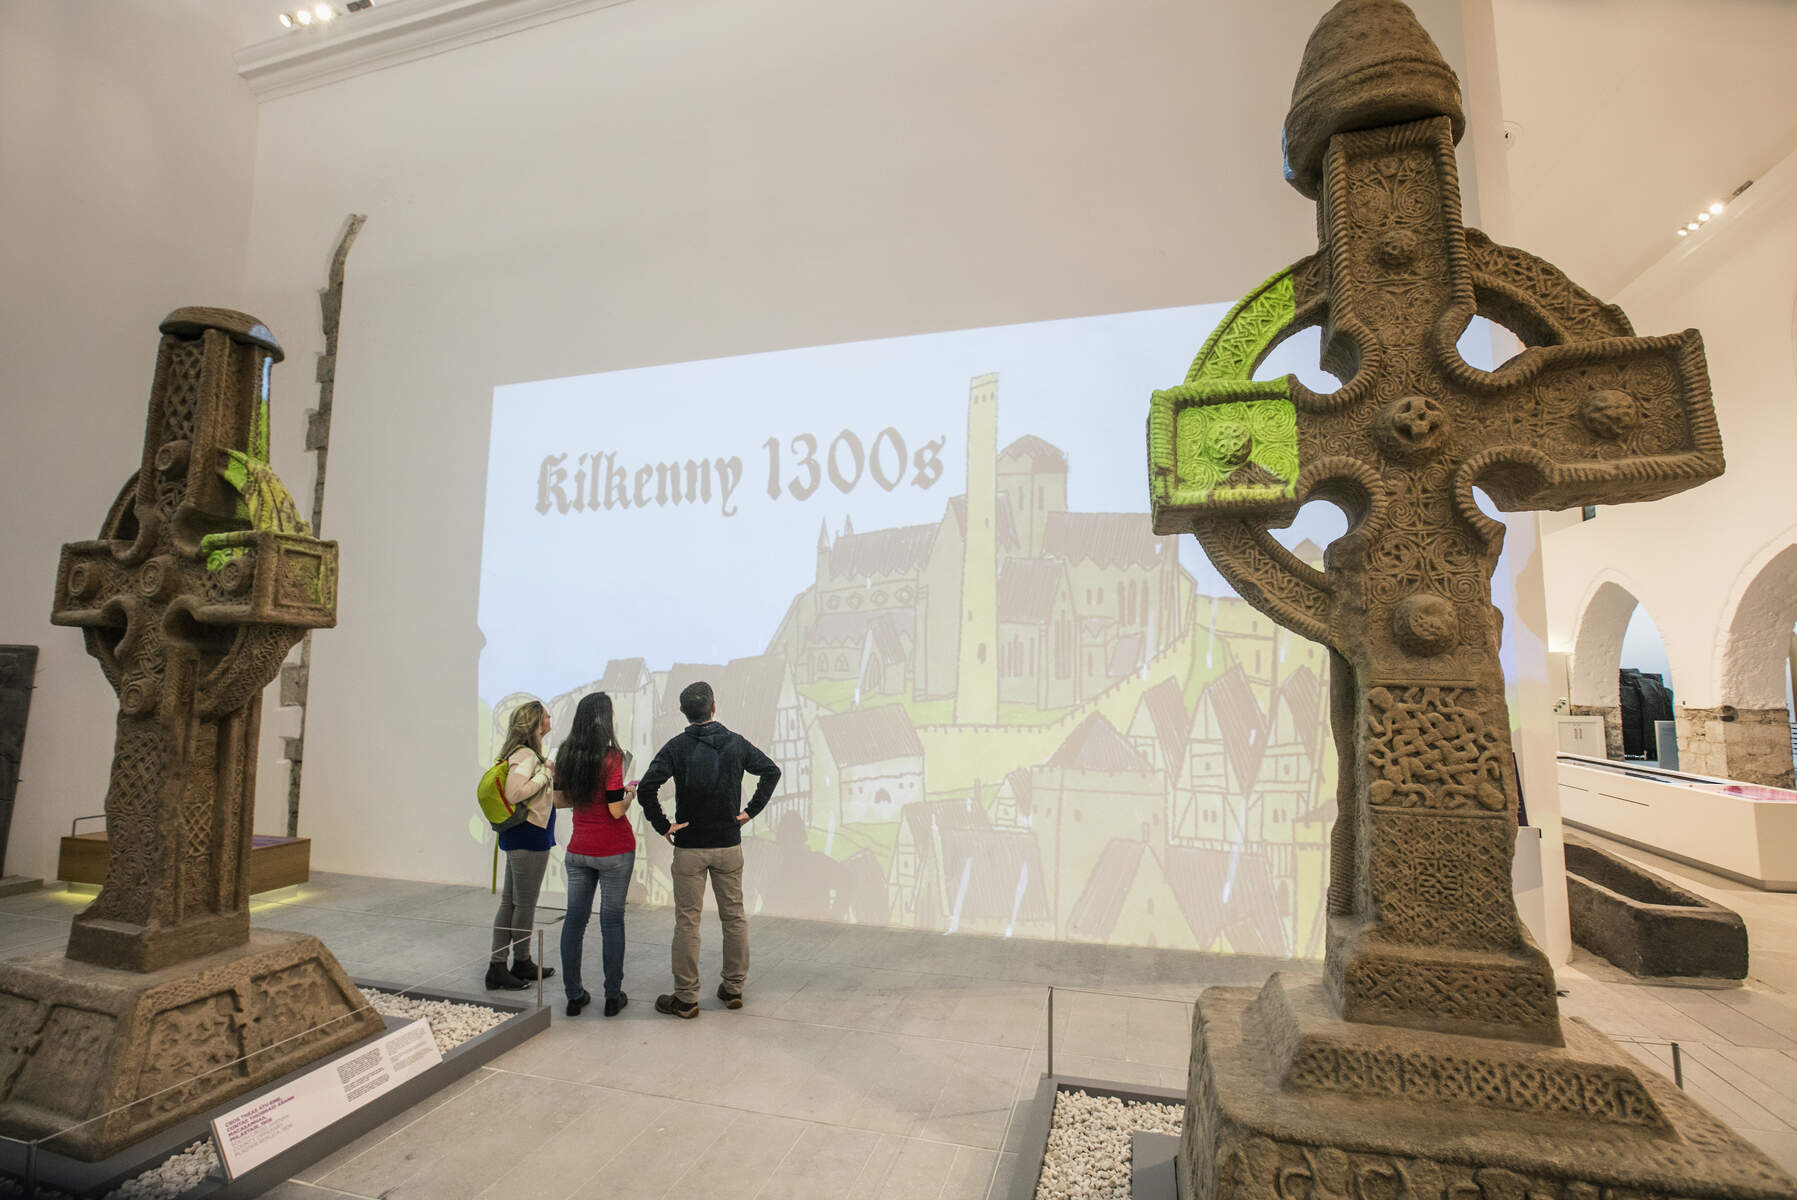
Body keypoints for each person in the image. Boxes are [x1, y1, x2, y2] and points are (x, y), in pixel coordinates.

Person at [638, 680, 780, 1018]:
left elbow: (646, 788)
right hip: (728, 844)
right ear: (714, 707)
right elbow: (770, 771)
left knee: (687, 921)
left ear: (685, 713)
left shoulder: (676, 747)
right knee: (734, 917)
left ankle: (686, 998)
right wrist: (749, 813)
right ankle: (733, 988)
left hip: (689, 848)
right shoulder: (735, 743)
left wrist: (664, 825)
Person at [554, 692, 637, 1017]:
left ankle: (574, 996)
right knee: (612, 921)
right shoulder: (613, 757)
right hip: (614, 850)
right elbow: (617, 810)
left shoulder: (567, 754)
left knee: (574, 922)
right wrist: (629, 793)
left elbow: (561, 802)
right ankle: (613, 997)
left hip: (579, 850)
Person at [486, 699, 558, 990]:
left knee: (511, 901)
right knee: (523, 904)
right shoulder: (527, 756)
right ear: (535, 723)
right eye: (546, 715)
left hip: (523, 836)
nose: (550, 718)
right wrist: (547, 772)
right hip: (528, 837)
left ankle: (510, 963)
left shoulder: (520, 754)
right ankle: (507, 964)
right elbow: (516, 793)